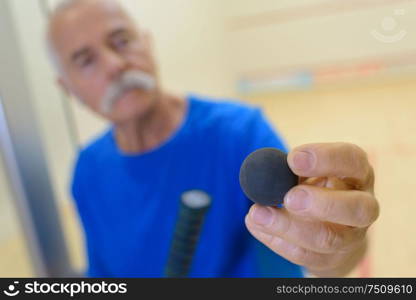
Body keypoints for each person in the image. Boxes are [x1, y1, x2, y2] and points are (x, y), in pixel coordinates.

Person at [46, 0, 379, 277]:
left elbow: (310, 250)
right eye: (85, 60)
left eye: (121, 40)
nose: (115, 65)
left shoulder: (239, 132)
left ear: (146, 42)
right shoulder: (87, 171)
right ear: (67, 88)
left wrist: (339, 248)